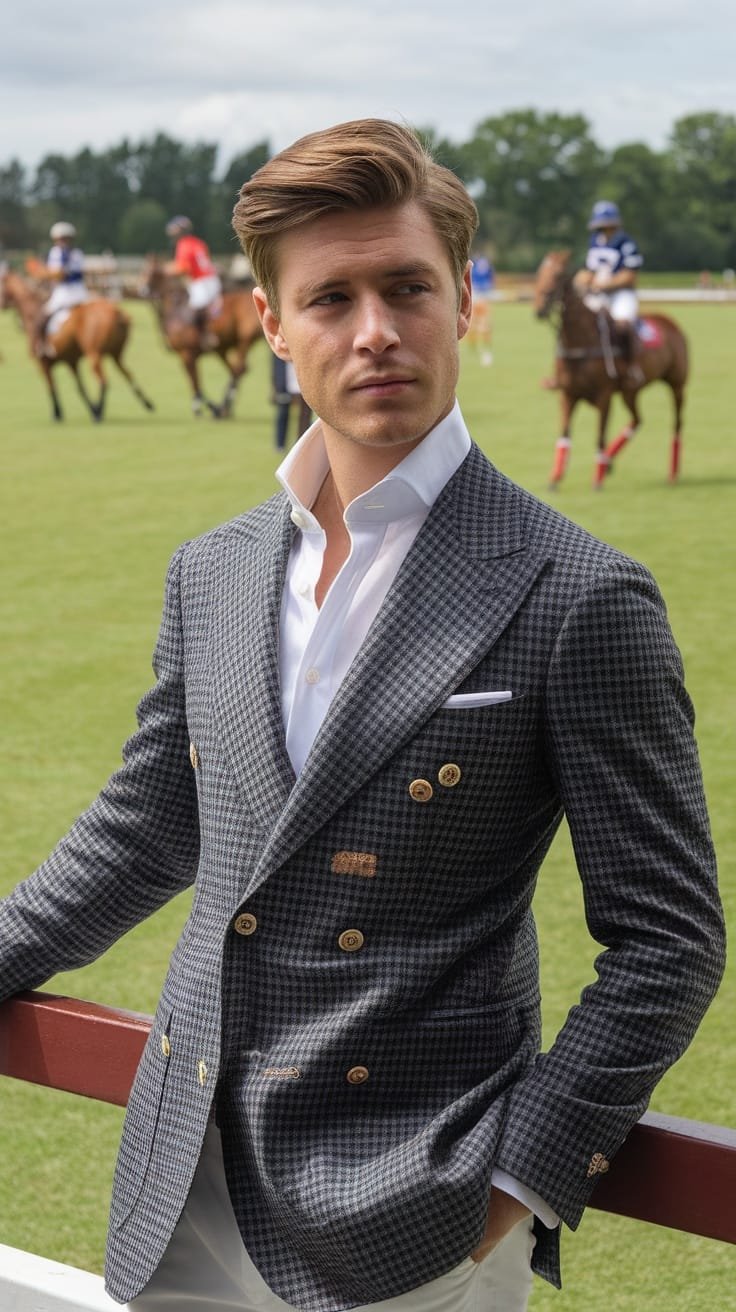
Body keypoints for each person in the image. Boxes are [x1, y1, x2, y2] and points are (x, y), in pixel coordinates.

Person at [0, 120, 724, 1312]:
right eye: (330, 298)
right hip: (184, 1188)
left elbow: (668, 941)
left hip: (412, 1230)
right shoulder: (210, 570)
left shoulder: (581, 595)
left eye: (407, 287)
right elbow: (144, 829)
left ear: (462, 305)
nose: (375, 329)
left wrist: (509, 1189)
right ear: (275, 328)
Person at [575, 199, 644, 383]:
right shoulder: (595, 242)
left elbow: (629, 275)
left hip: (621, 294)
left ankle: (632, 367)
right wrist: (580, 281)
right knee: (579, 321)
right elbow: (588, 270)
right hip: (598, 294)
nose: (604, 228)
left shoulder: (626, 243)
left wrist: (605, 285)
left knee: (623, 325)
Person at [164, 215, 222, 348]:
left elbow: (183, 267)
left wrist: (165, 269)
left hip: (202, 282)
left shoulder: (184, 244)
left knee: (194, 307)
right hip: (208, 280)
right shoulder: (197, 242)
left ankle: (206, 335)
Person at [32, 220, 89, 357]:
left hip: (64, 293)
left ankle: (44, 345)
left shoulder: (56, 252)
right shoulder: (78, 253)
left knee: (42, 317)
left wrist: (42, 273)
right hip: (81, 292)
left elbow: (56, 274)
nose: (62, 241)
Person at [270, 350, 312, 450]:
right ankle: (280, 445)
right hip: (285, 384)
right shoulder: (280, 347)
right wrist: (275, 386)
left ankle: (302, 444)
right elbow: (275, 368)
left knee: (305, 415)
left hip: (304, 384)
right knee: (283, 412)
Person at [468, 251, 495, 364]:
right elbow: (491, 279)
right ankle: (482, 350)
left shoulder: (475, 265)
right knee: (481, 326)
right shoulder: (486, 266)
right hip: (481, 297)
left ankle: (479, 350)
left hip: (477, 297)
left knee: (476, 325)